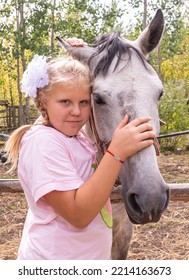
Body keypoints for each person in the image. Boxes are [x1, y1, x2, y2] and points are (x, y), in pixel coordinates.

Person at [5, 49, 156, 260]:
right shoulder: (42, 142)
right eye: (65, 102)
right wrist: (117, 152)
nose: (76, 111)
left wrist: (81, 56)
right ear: (42, 101)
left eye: (84, 102)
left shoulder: (77, 138)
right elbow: (79, 214)